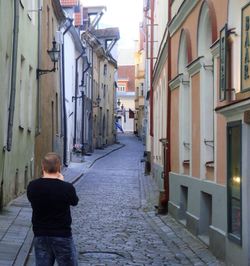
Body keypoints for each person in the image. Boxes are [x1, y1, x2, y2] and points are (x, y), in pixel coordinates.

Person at [27, 152, 79, 266]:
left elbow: (32, 199)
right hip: (62, 234)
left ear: (42, 167)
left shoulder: (33, 186)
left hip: (40, 234)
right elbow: (74, 202)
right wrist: (61, 182)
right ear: (59, 167)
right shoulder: (67, 188)